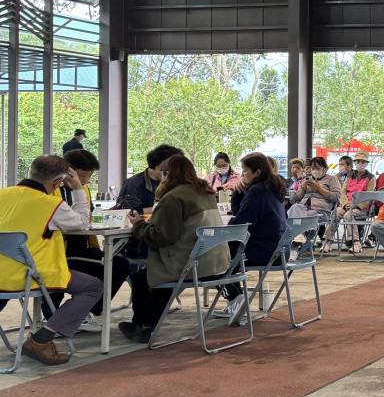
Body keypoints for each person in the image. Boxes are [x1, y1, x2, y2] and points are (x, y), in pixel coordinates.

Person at [0, 155, 102, 365]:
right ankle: (41, 340)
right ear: (58, 182)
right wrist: (77, 190)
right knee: (93, 287)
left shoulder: (2, 195)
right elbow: (82, 223)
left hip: (2, 274)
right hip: (30, 275)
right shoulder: (51, 205)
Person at [118, 155, 230, 343]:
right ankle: (149, 325)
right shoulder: (206, 192)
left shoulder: (173, 198)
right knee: (159, 281)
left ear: (167, 174)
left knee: (141, 279)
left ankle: (141, 325)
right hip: (216, 264)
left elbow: (160, 237)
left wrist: (138, 224)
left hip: (189, 266)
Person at [55, 149, 129, 333]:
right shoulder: (54, 190)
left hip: (83, 246)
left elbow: (86, 217)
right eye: (81, 175)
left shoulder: (84, 189)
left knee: (119, 264)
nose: (85, 180)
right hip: (60, 252)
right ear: (68, 172)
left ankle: (86, 310)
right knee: (114, 264)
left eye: (89, 176)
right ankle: (53, 314)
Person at [214, 152, 287, 318]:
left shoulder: (257, 190)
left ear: (257, 173)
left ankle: (236, 299)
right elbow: (245, 217)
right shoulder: (273, 188)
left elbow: (240, 225)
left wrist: (238, 197)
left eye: (245, 171)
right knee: (229, 252)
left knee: (216, 256)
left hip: (264, 250)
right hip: (279, 249)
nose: (242, 175)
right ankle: (236, 301)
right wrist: (239, 194)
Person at [115, 143, 185, 213]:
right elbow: (127, 211)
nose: (175, 170)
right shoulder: (133, 183)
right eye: (172, 166)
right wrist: (163, 209)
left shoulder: (174, 182)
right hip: (141, 223)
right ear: (158, 165)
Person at [329, 150, 376, 254]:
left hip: (361, 208)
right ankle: (327, 240)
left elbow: (369, 196)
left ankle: (355, 242)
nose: (360, 164)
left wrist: (356, 205)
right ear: (355, 163)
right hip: (347, 205)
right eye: (358, 161)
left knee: (348, 215)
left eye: (363, 162)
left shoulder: (371, 177)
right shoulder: (350, 176)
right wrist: (345, 203)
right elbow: (343, 191)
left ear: (367, 163)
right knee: (335, 213)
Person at [294, 156, 340, 249]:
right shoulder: (306, 179)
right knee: (294, 208)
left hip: (321, 211)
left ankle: (301, 238)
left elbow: (336, 197)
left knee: (305, 215)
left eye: (318, 168)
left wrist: (319, 189)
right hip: (304, 208)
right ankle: (300, 237)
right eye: (313, 168)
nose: (315, 171)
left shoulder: (332, 179)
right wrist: (302, 189)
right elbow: (297, 199)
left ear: (325, 169)